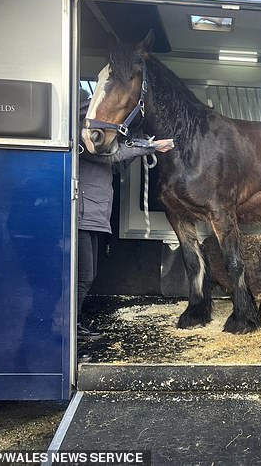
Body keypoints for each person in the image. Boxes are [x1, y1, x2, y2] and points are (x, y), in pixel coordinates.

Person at [77, 89, 173, 339]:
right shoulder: (85, 137)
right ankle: (70, 327)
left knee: (87, 275)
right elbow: (113, 155)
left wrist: (141, 144)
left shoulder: (93, 138)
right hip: (83, 216)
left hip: (94, 215)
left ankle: (74, 319)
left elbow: (117, 161)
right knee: (84, 276)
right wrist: (150, 147)